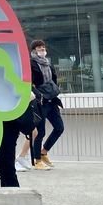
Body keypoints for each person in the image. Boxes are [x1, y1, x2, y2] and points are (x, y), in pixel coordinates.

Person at [30, 40, 65, 170]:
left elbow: (53, 80)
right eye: (39, 48)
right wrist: (39, 95)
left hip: (52, 100)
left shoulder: (48, 64)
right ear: (34, 50)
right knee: (40, 132)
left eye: (44, 47)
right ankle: (37, 160)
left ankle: (44, 151)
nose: (42, 50)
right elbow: (30, 83)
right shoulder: (31, 64)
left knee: (59, 127)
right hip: (41, 102)